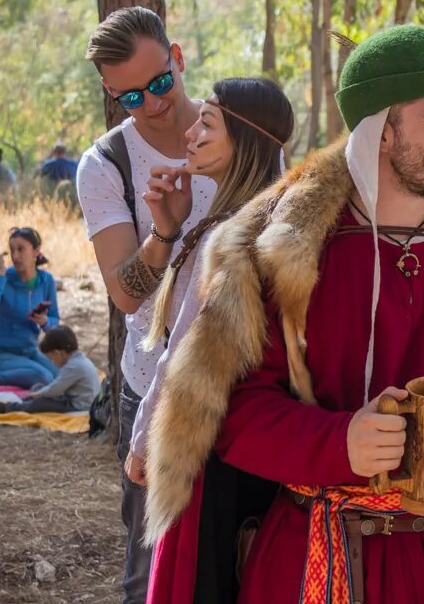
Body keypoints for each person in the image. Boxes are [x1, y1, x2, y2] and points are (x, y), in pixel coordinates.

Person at [144, 25, 424, 604]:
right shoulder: (283, 251)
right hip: (313, 556)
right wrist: (339, 444)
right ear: (382, 133)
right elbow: (231, 416)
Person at [123, 78, 293, 603]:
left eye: (208, 124)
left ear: (243, 139)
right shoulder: (270, 223)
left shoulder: (232, 235)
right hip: (256, 454)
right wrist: (169, 228)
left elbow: (183, 356)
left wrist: (142, 443)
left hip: (208, 455)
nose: (191, 133)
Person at [77, 6, 216, 604]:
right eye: (132, 96)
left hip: (246, 379)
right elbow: (125, 293)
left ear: (178, 57)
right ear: (111, 93)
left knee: (235, 556)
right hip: (155, 388)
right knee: (152, 574)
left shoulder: (240, 130)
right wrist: (165, 233)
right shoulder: (105, 165)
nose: (154, 103)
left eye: (162, 83)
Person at [0, 227, 61, 389]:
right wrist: (0, 278)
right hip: (3, 353)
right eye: (12, 250)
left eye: (21, 249)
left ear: (36, 251)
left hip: (29, 350)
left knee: (61, 376)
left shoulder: (46, 280)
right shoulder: (3, 278)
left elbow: (55, 319)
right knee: (43, 377)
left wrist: (45, 321)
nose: (15, 256)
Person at [0, 325, 100, 414]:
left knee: (40, 403)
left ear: (58, 353)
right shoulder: (78, 359)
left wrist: (36, 395)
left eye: (51, 358)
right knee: (38, 387)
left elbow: (55, 390)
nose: (52, 362)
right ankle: (27, 401)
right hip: (71, 397)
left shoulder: (74, 366)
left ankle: (8, 408)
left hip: (78, 406)